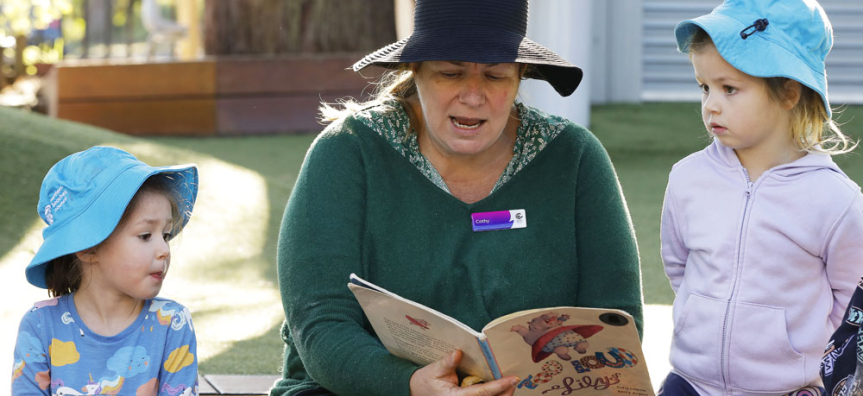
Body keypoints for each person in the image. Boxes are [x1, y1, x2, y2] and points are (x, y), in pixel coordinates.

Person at [271, 0, 643, 395]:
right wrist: (410, 384)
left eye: (496, 76)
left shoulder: (574, 156)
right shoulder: (348, 150)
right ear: (414, 71)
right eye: (451, 73)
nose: (473, 94)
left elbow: (616, 320)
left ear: (520, 76)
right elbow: (320, 322)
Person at [659, 0, 863, 394]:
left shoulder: (836, 200)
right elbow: (679, 266)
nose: (711, 104)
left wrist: (804, 361)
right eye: (705, 87)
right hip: (689, 383)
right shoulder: (687, 178)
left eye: (729, 88)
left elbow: (850, 301)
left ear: (788, 92)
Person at [12, 146, 200, 396]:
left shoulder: (172, 324)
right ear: (88, 249)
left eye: (165, 235)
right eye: (145, 235)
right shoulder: (39, 325)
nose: (164, 249)